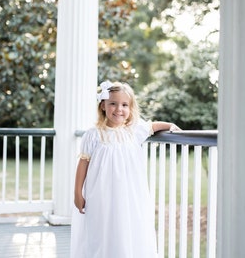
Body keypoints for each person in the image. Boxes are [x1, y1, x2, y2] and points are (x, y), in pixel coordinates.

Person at [70, 80, 181, 258]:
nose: (118, 109)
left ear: (130, 109)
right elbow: (83, 164)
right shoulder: (93, 134)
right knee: (102, 228)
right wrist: (77, 193)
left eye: (124, 105)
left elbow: (152, 126)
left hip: (129, 194)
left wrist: (169, 126)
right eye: (113, 103)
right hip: (101, 194)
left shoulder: (133, 131)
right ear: (103, 106)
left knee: (127, 227)